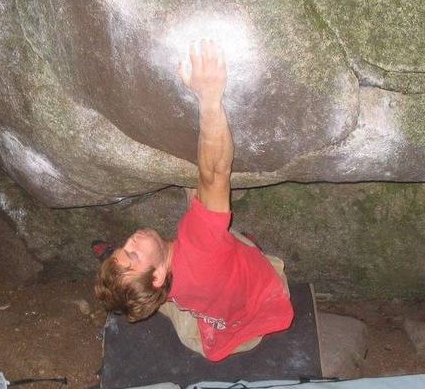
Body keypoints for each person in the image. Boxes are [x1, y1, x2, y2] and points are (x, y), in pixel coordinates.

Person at [94, 40, 294, 362]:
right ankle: (242, 247)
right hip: (261, 298)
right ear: (158, 274)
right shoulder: (199, 246)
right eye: (132, 253)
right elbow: (215, 172)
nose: (130, 240)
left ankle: (138, 297)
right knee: (202, 199)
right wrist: (210, 98)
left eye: (123, 248)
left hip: (225, 307)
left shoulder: (168, 270)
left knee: (147, 299)